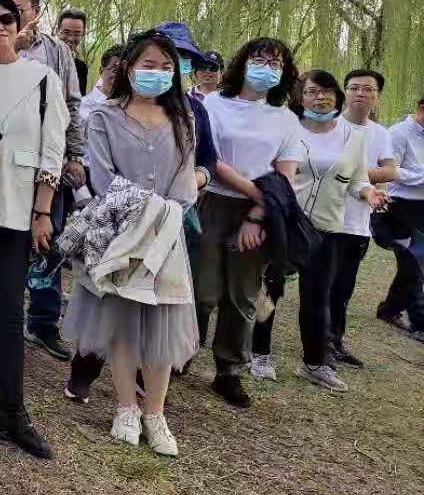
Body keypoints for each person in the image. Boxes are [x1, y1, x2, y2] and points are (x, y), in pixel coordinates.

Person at [61, 31, 200, 455]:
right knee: (122, 323)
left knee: (162, 324)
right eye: (148, 65)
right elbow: (104, 178)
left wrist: (163, 216)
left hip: (166, 237)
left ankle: (155, 413)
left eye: (165, 66)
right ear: (129, 68)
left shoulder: (183, 119)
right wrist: (142, 213)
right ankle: (126, 407)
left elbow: (185, 184)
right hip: (120, 234)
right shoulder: (105, 116)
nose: (156, 73)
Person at [0, 0, 68, 459]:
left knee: (7, 310)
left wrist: (42, 211)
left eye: (6, 18)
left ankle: (13, 410)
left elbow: (53, 150)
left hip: (16, 207)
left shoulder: (44, 79)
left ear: (20, 22)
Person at [248, 71, 384, 392]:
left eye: (326, 91)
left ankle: (314, 363)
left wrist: (369, 193)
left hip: (328, 228)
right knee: (271, 291)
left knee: (318, 297)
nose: (320, 97)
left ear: (337, 96)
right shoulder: (287, 130)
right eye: (311, 92)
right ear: (301, 97)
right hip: (286, 223)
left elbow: (358, 180)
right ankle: (259, 354)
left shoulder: (354, 137)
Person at [196, 39, 303, 407]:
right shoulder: (213, 104)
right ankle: (181, 353)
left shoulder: (286, 119)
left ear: (284, 73)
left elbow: (284, 175)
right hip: (212, 201)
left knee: (242, 295)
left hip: (258, 216)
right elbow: (209, 158)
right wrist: (258, 193)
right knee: (202, 291)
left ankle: (229, 370)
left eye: (275, 64)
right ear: (242, 63)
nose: (266, 68)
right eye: (259, 60)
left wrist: (258, 213)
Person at [0, 0, 85, 362]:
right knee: (5, 241)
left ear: (35, 12)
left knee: (48, 243)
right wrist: (12, 48)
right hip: (6, 164)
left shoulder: (57, 52)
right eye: (5, 9)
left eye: (19, 10)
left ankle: (42, 321)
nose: (11, 17)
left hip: (49, 161)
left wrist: (75, 155)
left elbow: (72, 105)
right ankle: (2, 317)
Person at [332, 69, 396, 365]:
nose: (361, 93)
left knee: (344, 288)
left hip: (357, 223)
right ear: (344, 92)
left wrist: (359, 177)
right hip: (325, 220)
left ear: (377, 96)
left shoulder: (380, 133)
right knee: (320, 286)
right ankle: (316, 346)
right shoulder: (329, 125)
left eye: (368, 89)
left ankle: (335, 341)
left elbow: (390, 170)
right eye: (354, 87)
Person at [380, 94, 424, 341]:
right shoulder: (398, 133)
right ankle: (420, 322)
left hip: (422, 206)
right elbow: (389, 171)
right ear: (421, 107)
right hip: (401, 206)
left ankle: (390, 309)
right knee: (414, 262)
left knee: (413, 263)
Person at [80, 45, 123, 120]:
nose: (120, 77)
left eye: (124, 72)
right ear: (101, 70)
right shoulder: (84, 106)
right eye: (115, 70)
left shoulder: (131, 106)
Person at [57, 8, 89, 94]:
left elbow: (79, 99)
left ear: (83, 34)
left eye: (77, 34)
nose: (71, 38)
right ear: (58, 31)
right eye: (66, 32)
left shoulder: (81, 68)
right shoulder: (44, 59)